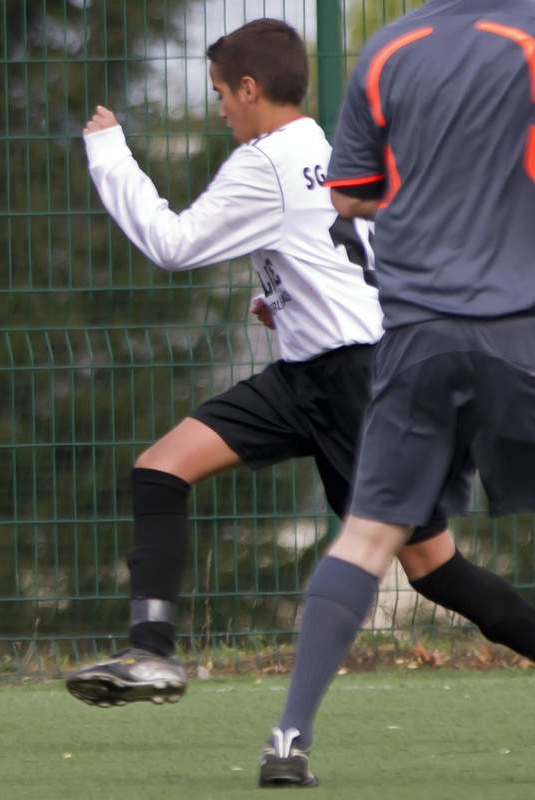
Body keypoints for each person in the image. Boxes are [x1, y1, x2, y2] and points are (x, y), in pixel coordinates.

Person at [63, 16, 535, 720]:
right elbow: (358, 243)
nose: (220, 108)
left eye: (223, 92)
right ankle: (152, 652)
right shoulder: (330, 147)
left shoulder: (267, 162)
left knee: (433, 568)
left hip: (353, 381)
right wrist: (282, 298)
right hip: (317, 369)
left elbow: (172, 243)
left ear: (250, 89)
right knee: (161, 467)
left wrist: (108, 151)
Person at [259, 1, 535, 787]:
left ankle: (287, 739)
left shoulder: (388, 48)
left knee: (367, 537)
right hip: (519, 328)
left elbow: (348, 194)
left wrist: (429, 204)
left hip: (414, 337)